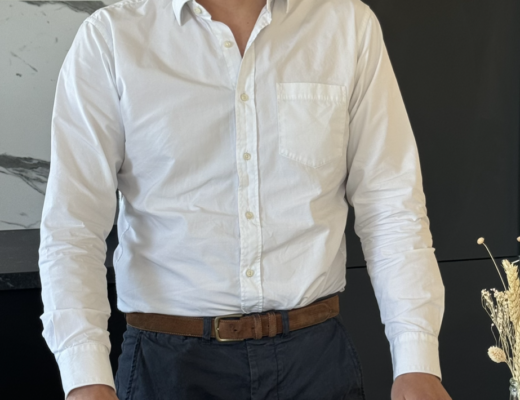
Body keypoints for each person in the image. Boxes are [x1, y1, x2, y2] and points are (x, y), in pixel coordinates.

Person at [38, 0, 452, 399]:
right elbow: (73, 226)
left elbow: (391, 204)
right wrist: (85, 380)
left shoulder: (347, 25)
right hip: (168, 365)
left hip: (315, 362)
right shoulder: (112, 38)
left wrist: (416, 362)